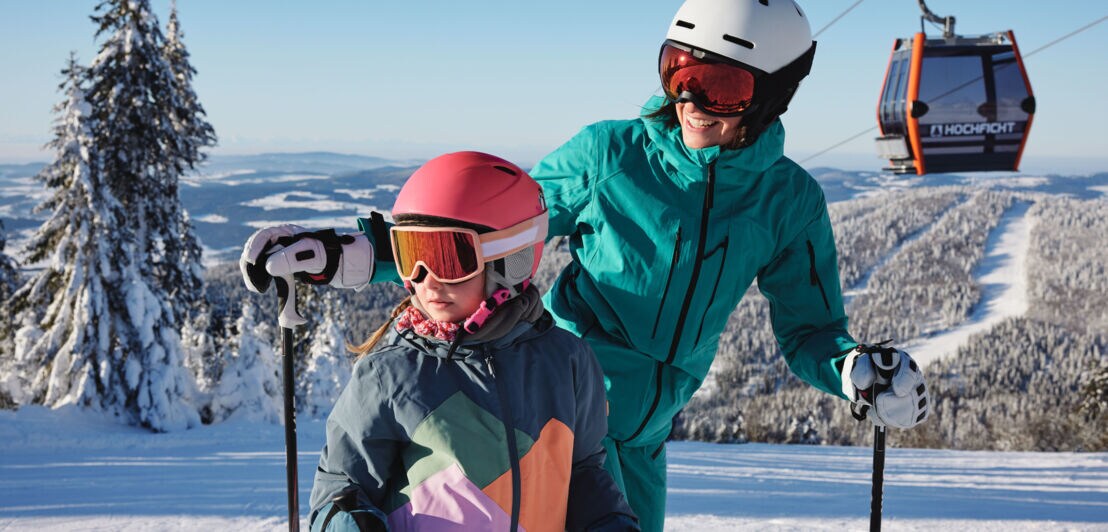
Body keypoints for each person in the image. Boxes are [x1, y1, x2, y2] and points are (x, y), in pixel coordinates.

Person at [524, 1, 930, 530]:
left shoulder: (788, 201)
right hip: (560, 418)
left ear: (770, 97)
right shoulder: (611, 154)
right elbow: (496, 228)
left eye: (720, 85)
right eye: (678, 71)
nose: (690, 100)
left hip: (645, 441)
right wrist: (390, 251)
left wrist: (854, 371)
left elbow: (812, 330)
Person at [241, 152, 639, 531]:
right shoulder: (393, 371)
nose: (424, 279)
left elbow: (583, 469)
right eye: (410, 253)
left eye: (448, 258)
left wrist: (610, 522)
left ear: (510, 258)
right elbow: (341, 486)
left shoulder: (567, 361)